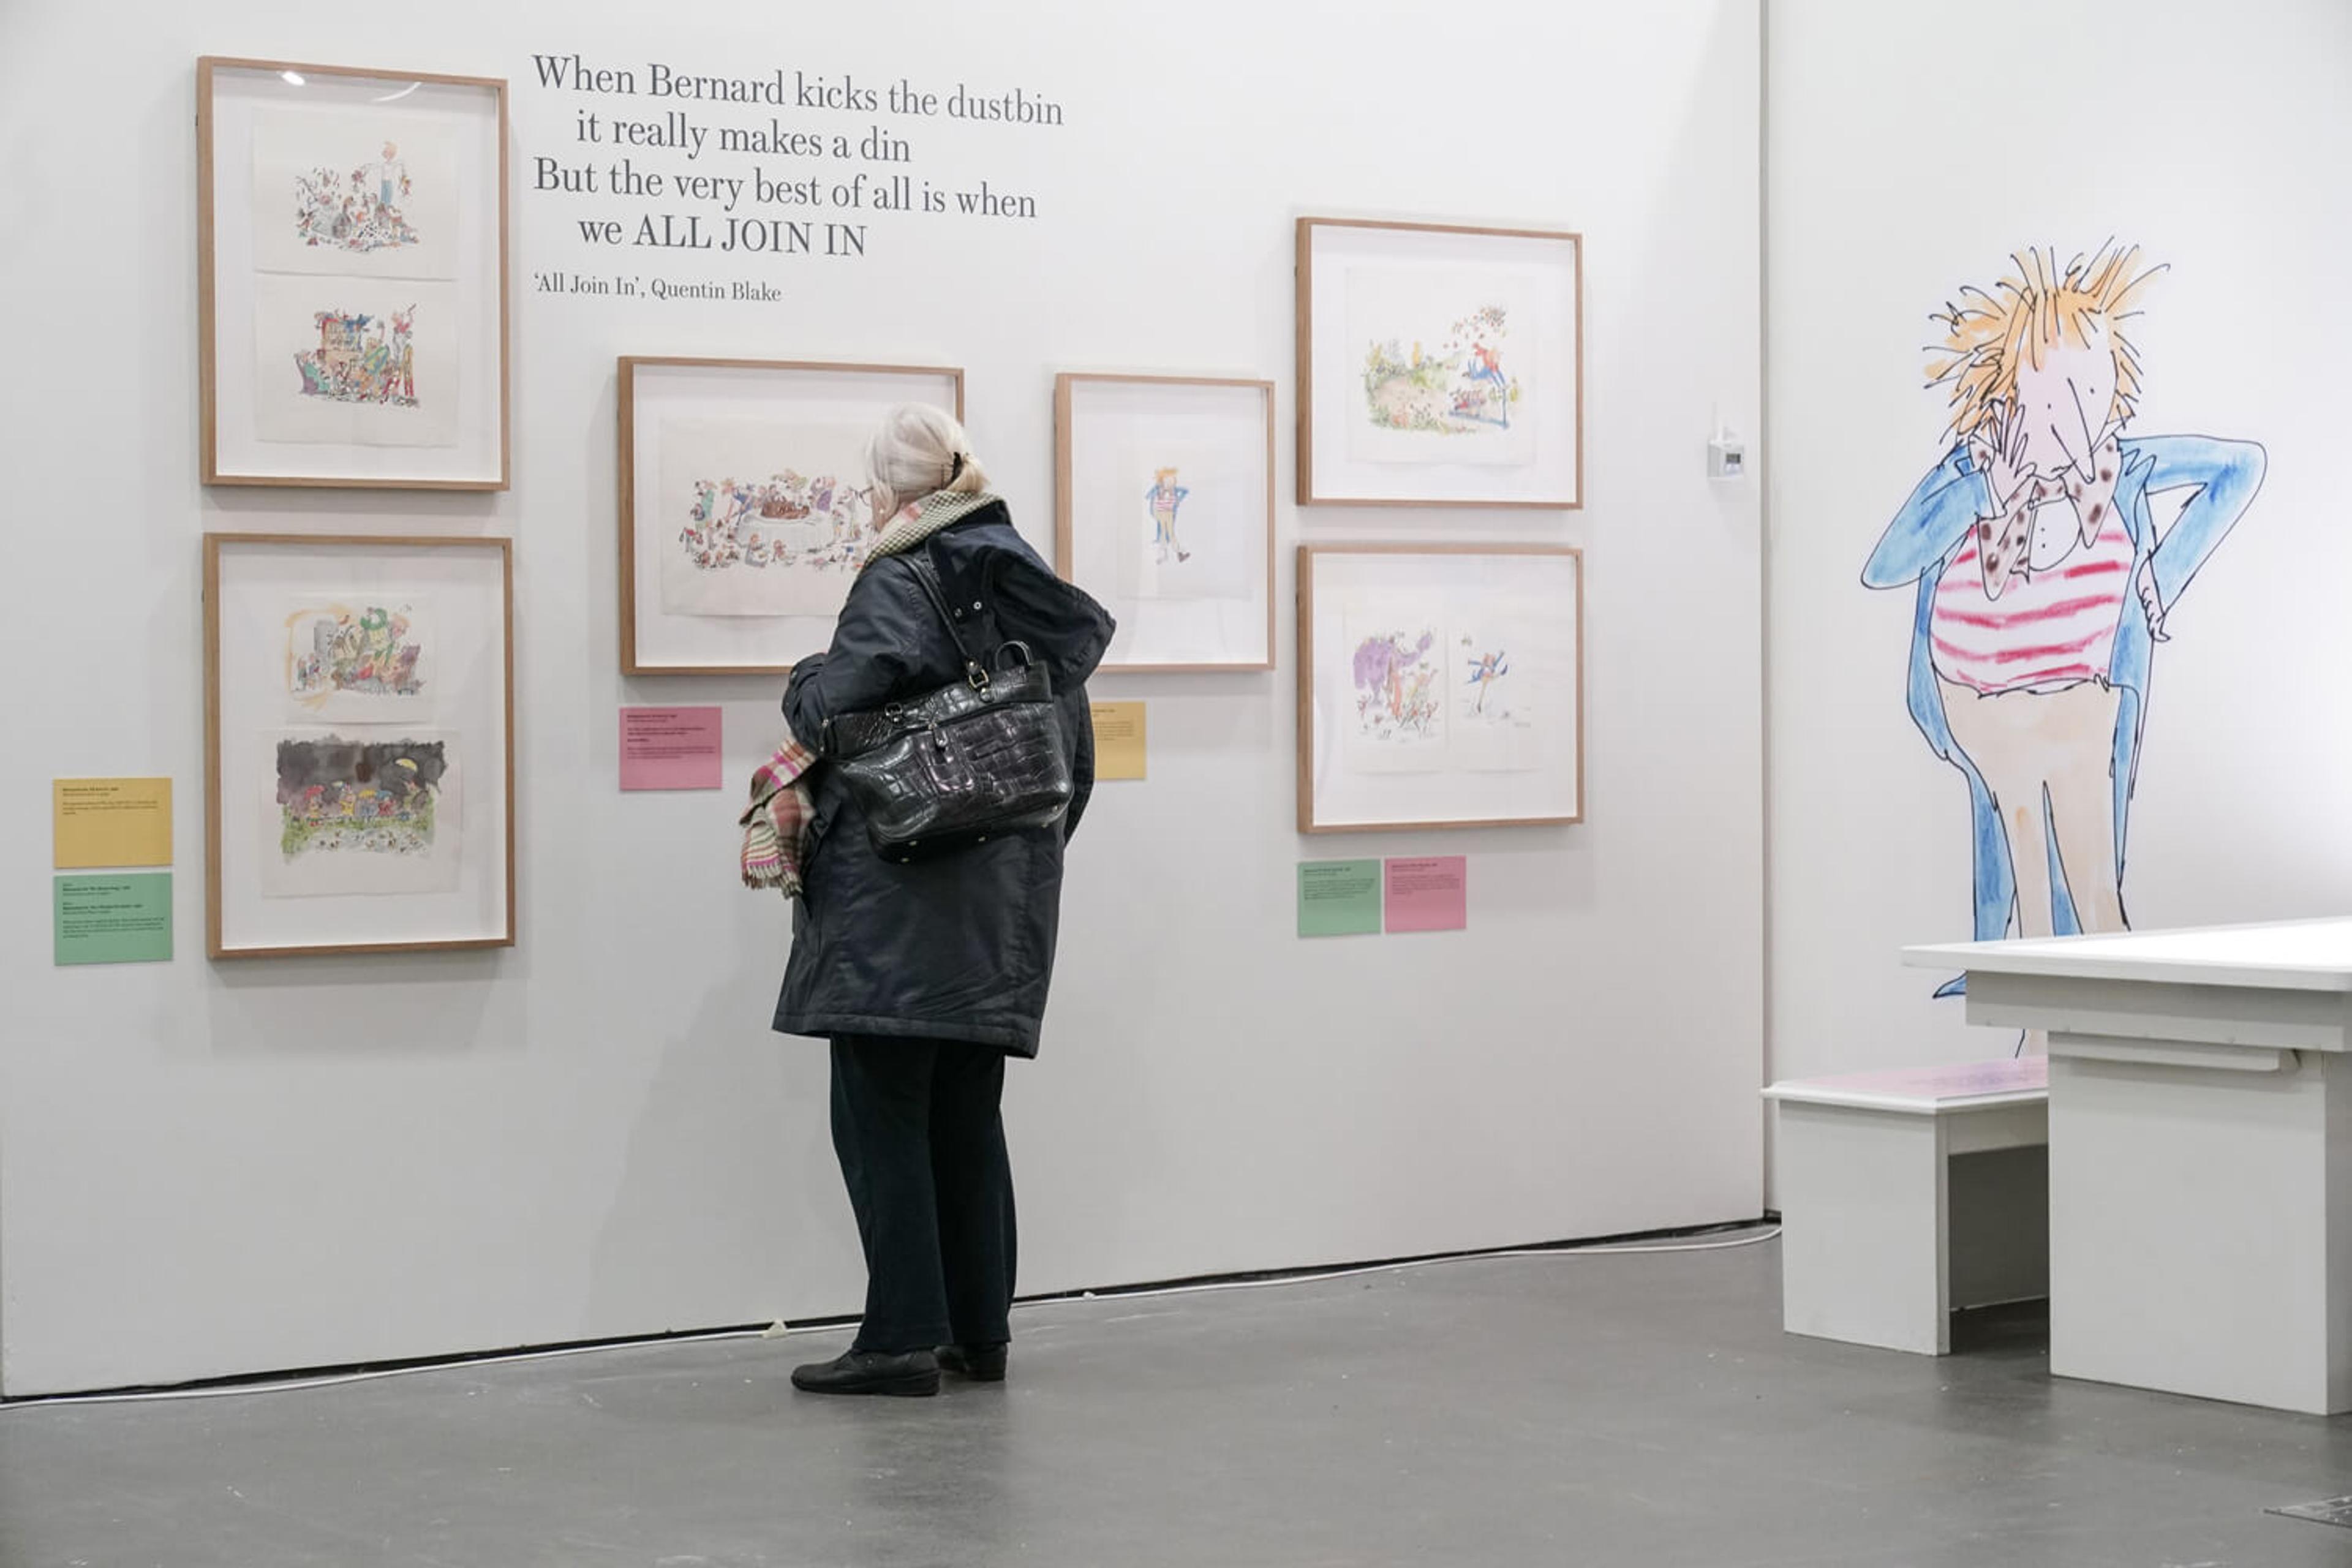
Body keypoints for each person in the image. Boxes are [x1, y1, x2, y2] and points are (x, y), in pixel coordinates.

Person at [775, 405, 1113, 1397]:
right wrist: (1007, 869)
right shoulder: (1021, 585)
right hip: (997, 912)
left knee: (880, 1117)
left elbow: (835, 711)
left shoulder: (903, 574)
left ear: (893, 491)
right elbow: (1072, 769)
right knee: (967, 1117)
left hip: (896, 905)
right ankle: (979, 1333)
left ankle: (898, 1340)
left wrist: (801, 677)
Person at [1861, 243, 2264, 1049]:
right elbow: (1885, 565)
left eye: (2096, 384)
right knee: (2031, 870)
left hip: (2077, 705)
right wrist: (1982, 494)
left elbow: (2241, 467)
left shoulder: (2124, 468)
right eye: (2062, 389)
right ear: (2014, 389)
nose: (2082, 409)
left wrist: (2164, 571)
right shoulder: (1975, 468)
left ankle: (2102, 1047)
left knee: (2091, 884)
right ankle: (2044, 1041)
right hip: (1983, 701)